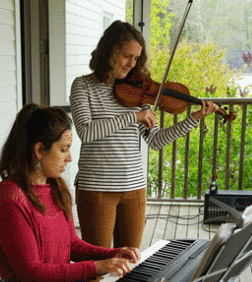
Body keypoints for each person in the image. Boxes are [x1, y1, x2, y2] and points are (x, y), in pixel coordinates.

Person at [0, 103, 140, 282]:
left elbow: (71, 244)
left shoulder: (55, 186)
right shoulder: (10, 198)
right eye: (63, 149)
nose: (69, 157)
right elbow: (30, 272)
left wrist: (113, 253)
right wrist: (98, 267)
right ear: (39, 150)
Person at [71, 20, 220, 250]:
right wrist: (135, 117)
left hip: (134, 189)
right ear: (109, 51)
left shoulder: (138, 92)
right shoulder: (83, 86)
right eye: (127, 56)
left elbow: (156, 141)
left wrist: (194, 118)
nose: (132, 64)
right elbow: (86, 131)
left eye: (137, 59)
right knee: (98, 266)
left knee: (130, 263)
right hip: (97, 188)